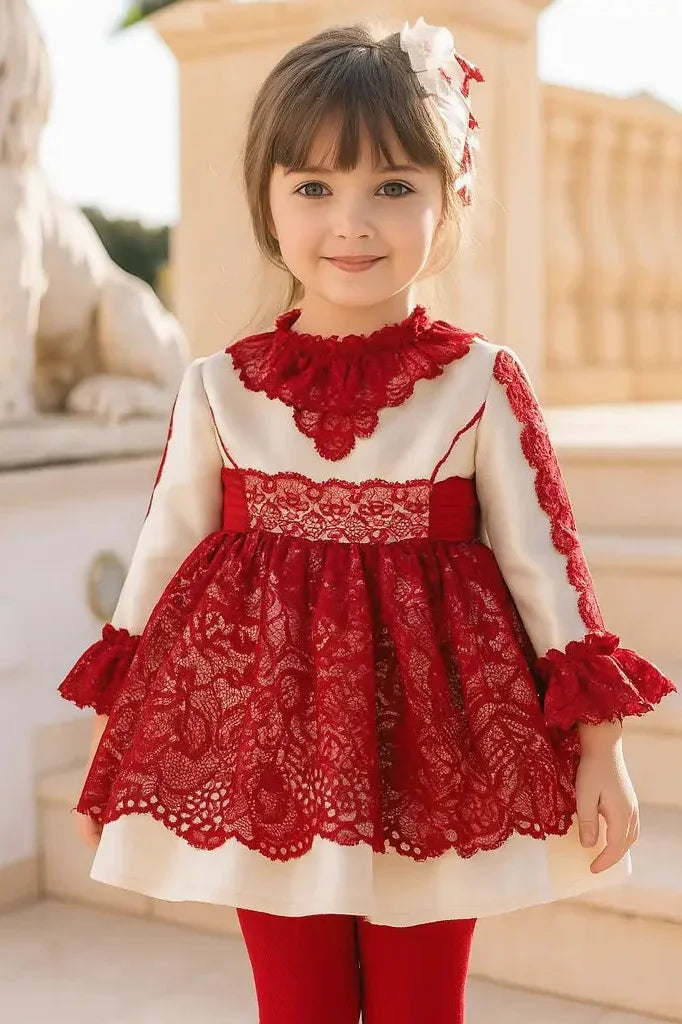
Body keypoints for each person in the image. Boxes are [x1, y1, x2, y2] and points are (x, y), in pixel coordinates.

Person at [57, 16, 676, 1024]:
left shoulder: (479, 382)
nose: (352, 222)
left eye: (393, 186)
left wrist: (600, 748)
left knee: (420, 1010)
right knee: (293, 1007)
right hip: (272, 747)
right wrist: (112, 737)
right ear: (266, 198)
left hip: (435, 754)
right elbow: (159, 566)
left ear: (448, 195)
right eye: (313, 186)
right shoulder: (219, 389)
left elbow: (543, 566)